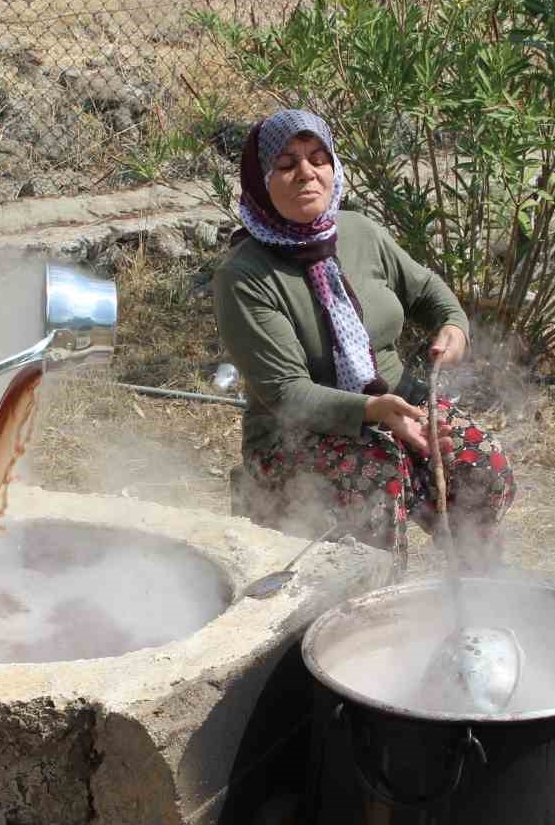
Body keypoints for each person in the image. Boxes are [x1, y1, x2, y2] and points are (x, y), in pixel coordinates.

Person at [214, 110, 515, 570]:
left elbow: (428, 291)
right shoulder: (246, 276)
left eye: (319, 158)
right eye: (287, 163)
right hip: (294, 434)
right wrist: (373, 412)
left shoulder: (359, 232)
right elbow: (286, 393)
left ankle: (474, 594)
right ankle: (360, 613)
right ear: (260, 179)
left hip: (396, 402)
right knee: (375, 478)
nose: (306, 174)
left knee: (480, 466)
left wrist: (453, 325)